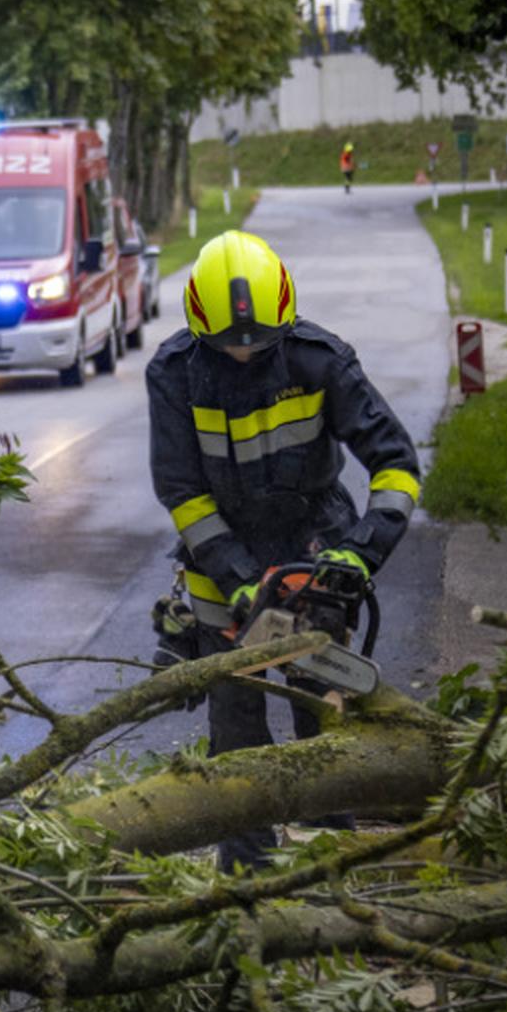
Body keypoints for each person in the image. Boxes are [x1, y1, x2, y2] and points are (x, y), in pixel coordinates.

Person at [146, 230, 420, 871]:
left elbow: (397, 466)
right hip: (221, 572)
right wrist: (240, 579)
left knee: (321, 732)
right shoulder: (174, 373)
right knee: (237, 738)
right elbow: (182, 493)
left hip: (314, 554)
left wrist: (358, 555)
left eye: (257, 342)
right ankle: (247, 878)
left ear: (284, 317)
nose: (243, 353)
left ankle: (331, 870)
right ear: (198, 322)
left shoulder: (321, 360)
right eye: (228, 343)